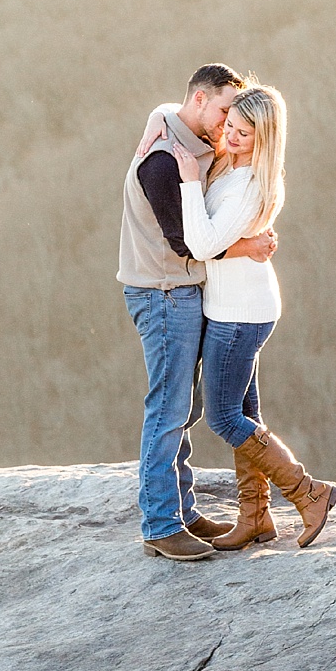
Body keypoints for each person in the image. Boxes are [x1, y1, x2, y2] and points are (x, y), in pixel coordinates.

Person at [164, 82, 336, 550]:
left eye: (246, 133)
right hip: (237, 306)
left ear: (266, 137)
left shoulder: (250, 183)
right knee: (245, 412)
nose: (234, 137)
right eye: (232, 128)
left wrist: (185, 182)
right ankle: (255, 517)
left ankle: (308, 492)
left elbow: (202, 245)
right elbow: (169, 108)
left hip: (240, 313)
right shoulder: (231, 166)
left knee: (223, 418)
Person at [118, 63, 275, 562]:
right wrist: (248, 246)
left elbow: (166, 108)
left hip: (182, 291)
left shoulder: (181, 126)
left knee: (182, 409)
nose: (230, 123)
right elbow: (189, 245)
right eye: (226, 110)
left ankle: (181, 512)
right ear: (201, 100)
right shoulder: (165, 162)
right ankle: (160, 525)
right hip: (163, 291)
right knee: (168, 408)